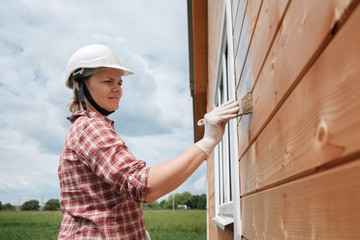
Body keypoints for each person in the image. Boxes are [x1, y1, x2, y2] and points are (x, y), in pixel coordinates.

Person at [57, 44, 239, 239]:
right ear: (79, 85)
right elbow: (143, 187)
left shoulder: (85, 128)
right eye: (108, 81)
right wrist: (208, 141)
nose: (117, 89)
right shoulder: (90, 127)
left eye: (119, 83)